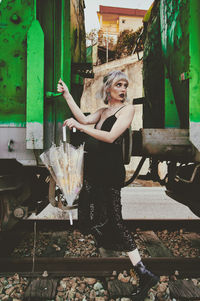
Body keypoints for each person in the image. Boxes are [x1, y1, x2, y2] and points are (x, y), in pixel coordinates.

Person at [57, 70, 159, 300]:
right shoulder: (103, 111)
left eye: (125, 85)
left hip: (109, 174)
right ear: (109, 88)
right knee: (89, 217)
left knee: (114, 220)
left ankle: (143, 272)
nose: (123, 89)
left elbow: (110, 137)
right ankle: (113, 244)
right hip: (94, 173)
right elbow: (83, 119)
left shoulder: (127, 110)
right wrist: (67, 95)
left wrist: (81, 128)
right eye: (119, 85)